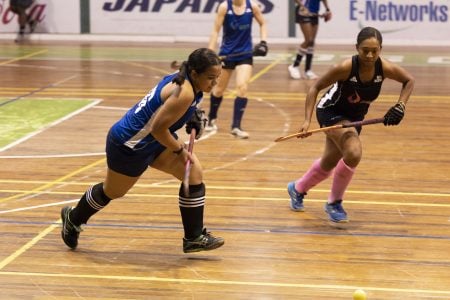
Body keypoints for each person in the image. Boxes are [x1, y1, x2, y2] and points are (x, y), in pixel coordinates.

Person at [60, 48, 225, 253]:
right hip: (129, 145)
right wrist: (179, 149)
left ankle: (194, 237)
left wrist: (193, 114)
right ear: (194, 74)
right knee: (113, 191)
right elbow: (157, 129)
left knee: (192, 172)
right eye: (210, 78)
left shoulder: (187, 81)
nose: (215, 83)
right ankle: (73, 218)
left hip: (151, 140)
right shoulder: (185, 92)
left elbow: (166, 114)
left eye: (217, 77)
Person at [287, 27, 415, 223]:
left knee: (330, 161)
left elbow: (408, 80)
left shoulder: (384, 68)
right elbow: (315, 87)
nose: (370, 55)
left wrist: (401, 106)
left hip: (354, 118)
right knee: (353, 152)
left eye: (375, 50)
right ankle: (334, 203)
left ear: (381, 48)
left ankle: (297, 189)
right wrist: (307, 120)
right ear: (357, 48)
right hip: (330, 111)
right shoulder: (345, 67)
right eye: (365, 50)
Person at [205, 0, 268, 139]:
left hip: (245, 54)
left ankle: (236, 126)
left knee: (242, 87)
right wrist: (210, 53)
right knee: (219, 90)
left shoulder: (252, 6)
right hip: (227, 54)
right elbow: (215, 31)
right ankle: (211, 118)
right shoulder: (224, 7)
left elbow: (263, 23)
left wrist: (263, 42)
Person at [288, 0, 332, 80]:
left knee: (311, 42)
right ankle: (294, 66)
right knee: (308, 40)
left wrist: (327, 9)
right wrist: (303, 6)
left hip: (314, 11)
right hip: (303, 11)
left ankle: (308, 70)